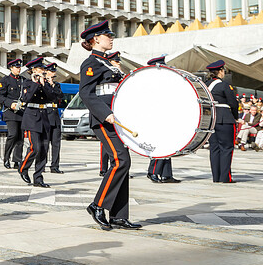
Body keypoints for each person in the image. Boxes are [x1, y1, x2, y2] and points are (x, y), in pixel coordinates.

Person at [79, 21, 140, 231]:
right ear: (96, 39)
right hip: (105, 119)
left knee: (125, 162)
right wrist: (106, 114)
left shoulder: (108, 63)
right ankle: (97, 205)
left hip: (118, 119)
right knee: (119, 161)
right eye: (108, 35)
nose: (112, 38)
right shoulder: (91, 63)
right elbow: (86, 94)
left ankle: (118, 216)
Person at [17, 57, 62, 187]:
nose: (44, 71)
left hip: (44, 117)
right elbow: (27, 98)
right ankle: (23, 167)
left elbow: (53, 97)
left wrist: (44, 84)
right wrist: (36, 83)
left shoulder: (45, 83)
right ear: (34, 70)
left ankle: (38, 177)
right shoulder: (27, 83)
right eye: (41, 69)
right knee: (35, 147)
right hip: (31, 118)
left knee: (43, 150)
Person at [145, 56, 179, 184]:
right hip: (157, 118)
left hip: (166, 116)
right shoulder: (152, 82)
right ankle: (153, 171)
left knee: (168, 145)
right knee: (160, 145)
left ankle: (166, 174)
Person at [205, 60, 238, 183]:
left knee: (214, 149)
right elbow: (233, 103)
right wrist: (235, 117)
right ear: (220, 72)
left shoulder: (206, 84)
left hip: (211, 120)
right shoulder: (224, 85)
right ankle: (225, 177)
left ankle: (216, 177)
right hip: (225, 119)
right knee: (226, 148)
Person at [0, 58, 25, 169]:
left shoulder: (23, 80)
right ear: (11, 68)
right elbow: (0, 97)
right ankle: (6, 158)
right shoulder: (5, 80)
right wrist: (10, 103)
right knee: (12, 135)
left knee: (20, 138)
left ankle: (17, 161)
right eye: (16, 67)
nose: (18, 69)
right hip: (10, 112)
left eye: (19, 67)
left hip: (22, 112)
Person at [44, 62, 65, 174]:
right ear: (46, 72)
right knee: (45, 143)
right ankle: (42, 165)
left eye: (54, 72)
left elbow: (60, 96)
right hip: (46, 115)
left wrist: (52, 85)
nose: (53, 74)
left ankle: (55, 166)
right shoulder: (42, 84)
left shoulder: (56, 85)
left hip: (55, 115)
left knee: (56, 143)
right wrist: (48, 85)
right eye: (51, 71)